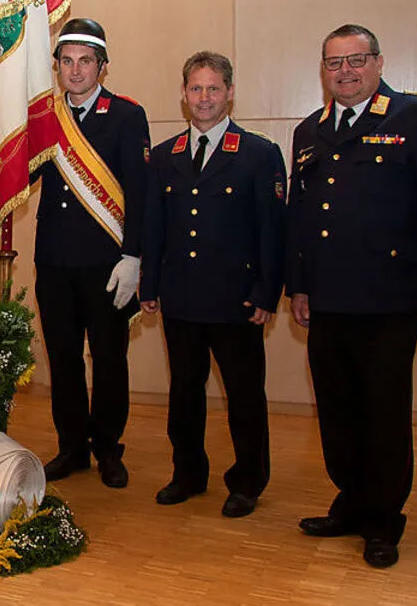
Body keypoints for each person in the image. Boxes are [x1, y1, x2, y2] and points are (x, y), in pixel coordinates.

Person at [287, 24, 417, 567]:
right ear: (323, 70)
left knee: (383, 410)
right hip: (327, 297)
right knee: (336, 408)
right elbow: (300, 216)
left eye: (356, 60)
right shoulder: (309, 130)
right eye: (334, 62)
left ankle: (384, 518)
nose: (345, 71)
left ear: (378, 62)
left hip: (389, 296)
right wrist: (299, 284)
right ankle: (350, 501)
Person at [140, 51, 286, 518]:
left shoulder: (259, 154)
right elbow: (154, 226)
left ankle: (247, 481)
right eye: (196, 88)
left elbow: (272, 231)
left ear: (230, 92)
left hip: (236, 300)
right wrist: (149, 285)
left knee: (244, 396)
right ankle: (188, 473)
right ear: (184, 94)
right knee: (184, 392)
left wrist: (267, 293)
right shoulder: (165, 156)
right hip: (181, 297)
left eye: (213, 88)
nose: (204, 98)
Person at [33, 18, 150, 487]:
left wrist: (133, 256)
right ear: (57, 66)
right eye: (67, 61)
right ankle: (71, 448)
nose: (76, 70)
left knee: (108, 359)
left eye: (85, 61)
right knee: (62, 358)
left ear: (102, 66)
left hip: (107, 261)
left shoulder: (125, 115)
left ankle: (107, 448)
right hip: (54, 260)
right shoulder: (44, 118)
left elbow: (139, 192)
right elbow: (21, 175)